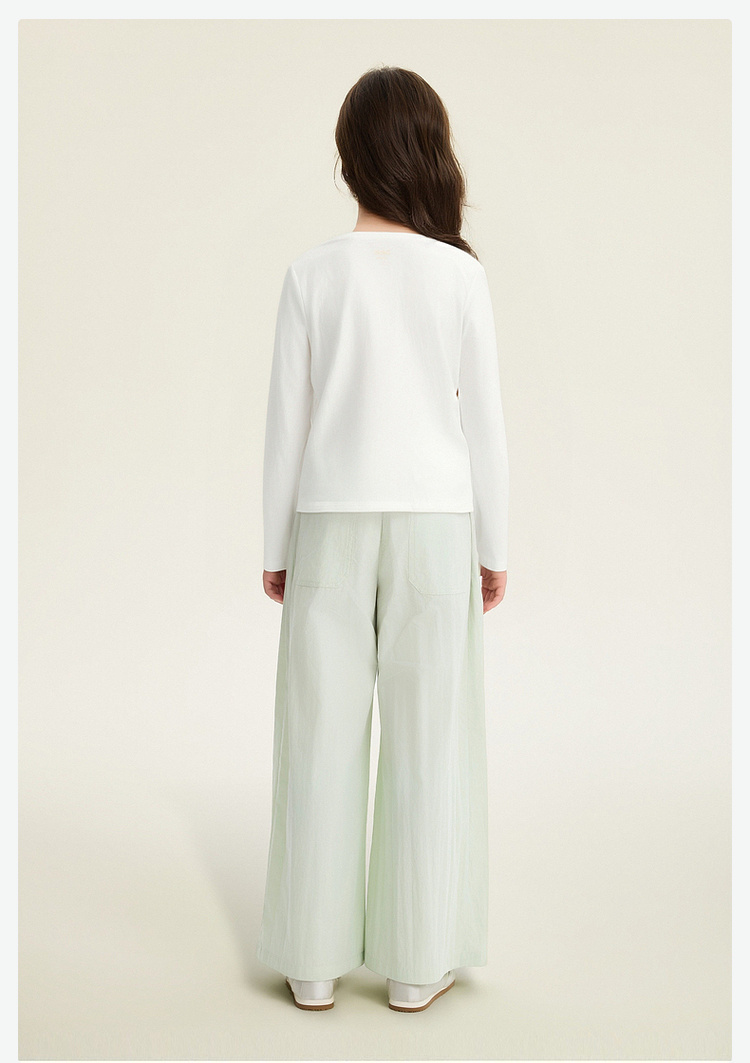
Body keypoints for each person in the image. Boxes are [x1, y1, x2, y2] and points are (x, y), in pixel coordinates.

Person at [256, 65, 509, 1013]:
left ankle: (312, 963)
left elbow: (285, 424)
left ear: (347, 156)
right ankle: (414, 962)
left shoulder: (310, 274)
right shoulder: (460, 276)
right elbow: (486, 426)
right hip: (437, 526)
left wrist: (275, 544)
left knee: (318, 735)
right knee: (430, 739)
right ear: (431, 152)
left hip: (327, 520)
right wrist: (495, 545)